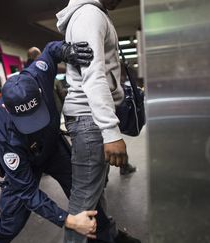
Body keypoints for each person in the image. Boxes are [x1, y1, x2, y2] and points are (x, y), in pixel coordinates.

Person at [0, 40, 114, 243]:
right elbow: (26, 190)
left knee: (86, 197)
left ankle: (109, 236)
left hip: (52, 147)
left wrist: (66, 50)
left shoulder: (37, 74)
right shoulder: (1, 127)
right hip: (25, 158)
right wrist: (68, 220)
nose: (34, 124)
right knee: (11, 223)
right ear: (8, 110)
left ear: (38, 90)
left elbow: (50, 50)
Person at [57, 0, 141, 242]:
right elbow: (94, 76)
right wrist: (111, 132)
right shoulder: (89, 15)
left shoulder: (94, 13)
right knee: (83, 201)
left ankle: (107, 235)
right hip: (89, 119)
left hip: (89, 118)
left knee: (93, 191)